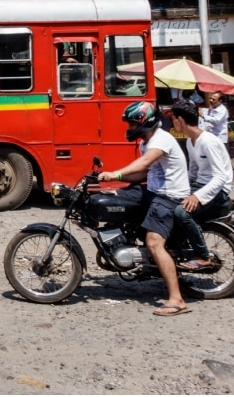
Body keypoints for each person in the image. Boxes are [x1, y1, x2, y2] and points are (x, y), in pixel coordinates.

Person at [96, 101, 192, 316]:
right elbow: (142, 173)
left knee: (154, 242)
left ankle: (177, 299)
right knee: (114, 202)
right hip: (153, 191)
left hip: (170, 196)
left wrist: (117, 174)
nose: (128, 129)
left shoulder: (161, 139)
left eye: (131, 124)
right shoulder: (145, 142)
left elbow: (145, 162)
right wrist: (116, 186)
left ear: (143, 122)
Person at [168, 100, 234, 270]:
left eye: (173, 118)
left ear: (180, 120)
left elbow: (220, 176)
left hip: (218, 191)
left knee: (182, 213)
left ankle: (203, 256)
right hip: (200, 185)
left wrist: (197, 196)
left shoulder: (208, 141)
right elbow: (193, 171)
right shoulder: (191, 141)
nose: (173, 123)